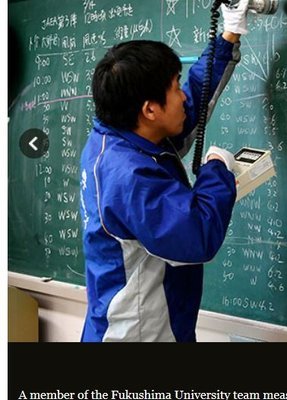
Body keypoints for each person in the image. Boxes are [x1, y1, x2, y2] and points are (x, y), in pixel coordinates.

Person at [79, 2, 250, 342]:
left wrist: (229, 33)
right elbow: (197, 234)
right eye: (175, 86)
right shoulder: (129, 176)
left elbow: (192, 104)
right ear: (150, 109)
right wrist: (217, 167)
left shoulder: (122, 135)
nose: (182, 97)